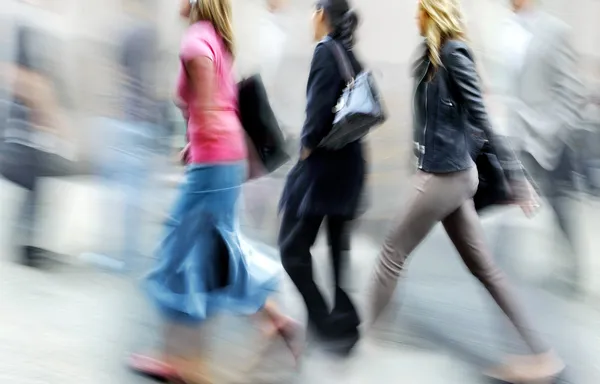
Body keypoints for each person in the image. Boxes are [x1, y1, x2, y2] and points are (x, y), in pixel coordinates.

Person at [367, 0, 564, 381]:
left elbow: (483, 119)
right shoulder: (431, 51)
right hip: (444, 173)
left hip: (446, 176)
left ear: (433, 11)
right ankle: (543, 355)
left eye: (420, 7)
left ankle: (361, 346)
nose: (414, 14)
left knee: (391, 253)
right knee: (485, 269)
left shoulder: (455, 53)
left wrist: (516, 177)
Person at [130, 0, 300, 381]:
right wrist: (196, 144)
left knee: (176, 252)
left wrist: (199, 153)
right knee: (217, 249)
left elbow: (208, 109)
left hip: (215, 162)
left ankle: (177, 360)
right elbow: (221, 107)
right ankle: (276, 318)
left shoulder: (196, 41)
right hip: (222, 157)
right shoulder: (216, 40)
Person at [278, 0, 365, 355]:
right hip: (350, 167)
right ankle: (345, 323)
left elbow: (315, 119)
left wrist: (304, 152)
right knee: (336, 248)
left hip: (324, 172)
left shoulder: (325, 52)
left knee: (292, 249)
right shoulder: (348, 53)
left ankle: (324, 323)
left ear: (320, 15)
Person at [495, 0, 586, 293]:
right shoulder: (506, 30)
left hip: (548, 136)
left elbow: (571, 87)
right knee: (505, 193)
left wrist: (555, 129)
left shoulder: (554, 31)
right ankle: (498, 268)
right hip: (518, 134)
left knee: (558, 201)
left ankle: (572, 267)